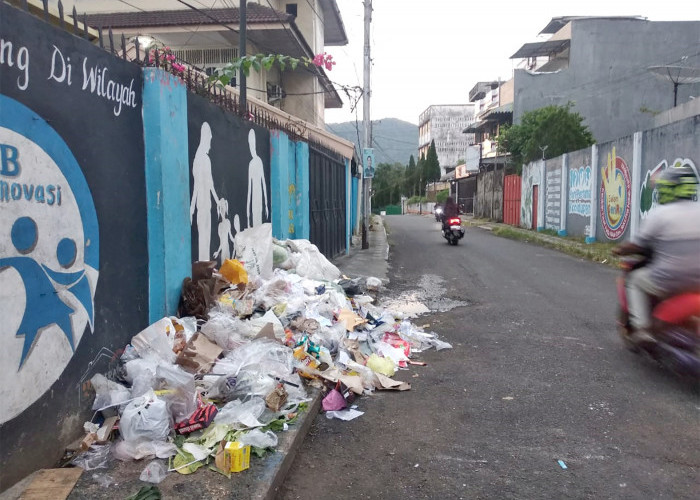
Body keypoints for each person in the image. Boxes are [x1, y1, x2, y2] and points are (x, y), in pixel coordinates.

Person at [612, 164, 700, 344]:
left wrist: (620, 250)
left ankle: (643, 328)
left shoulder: (660, 214)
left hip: (668, 280)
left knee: (634, 280)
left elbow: (637, 245)